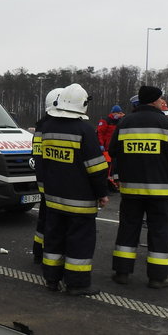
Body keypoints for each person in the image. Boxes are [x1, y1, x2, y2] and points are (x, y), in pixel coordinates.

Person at [108, 86, 168, 289]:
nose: (163, 102)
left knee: (127, 229)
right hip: (159, 190)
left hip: (131, 189)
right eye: (161, 99)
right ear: (153, 101)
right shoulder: (165, 123)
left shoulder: (125, 122)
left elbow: (113, 150)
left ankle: (122, 273)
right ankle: (158, 277)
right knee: (159, 231)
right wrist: (164, 163)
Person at [40, 83, 109, 296]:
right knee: (79, 242)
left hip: (53, 198)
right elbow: (96, 167)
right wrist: (102, 193)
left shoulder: (48, 128)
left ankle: (51, 279)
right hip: (80, 201)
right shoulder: (84, 131)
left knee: (53, 239)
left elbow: (42, 163)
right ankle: (77, 284)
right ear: (82, 105)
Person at [31, 88, 64, 264]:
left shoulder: (41, 126)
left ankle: (38, 250)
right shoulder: (52, 127)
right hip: (54, 183)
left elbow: (37, 154)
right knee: (52, 221)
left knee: (43, 218)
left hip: (43, 180)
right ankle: (49, 254)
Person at [97, 105, 124, 192]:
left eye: (120, 113)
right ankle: (105, 186)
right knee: (107, 168)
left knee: (114, 168)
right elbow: (99, 133)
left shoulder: (120, 121)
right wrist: (101, 144)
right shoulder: (106, 121)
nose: (118, 115)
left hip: (115, 148)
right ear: (113, 113)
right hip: (106, 149)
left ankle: (113, 185)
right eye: (117, 113)